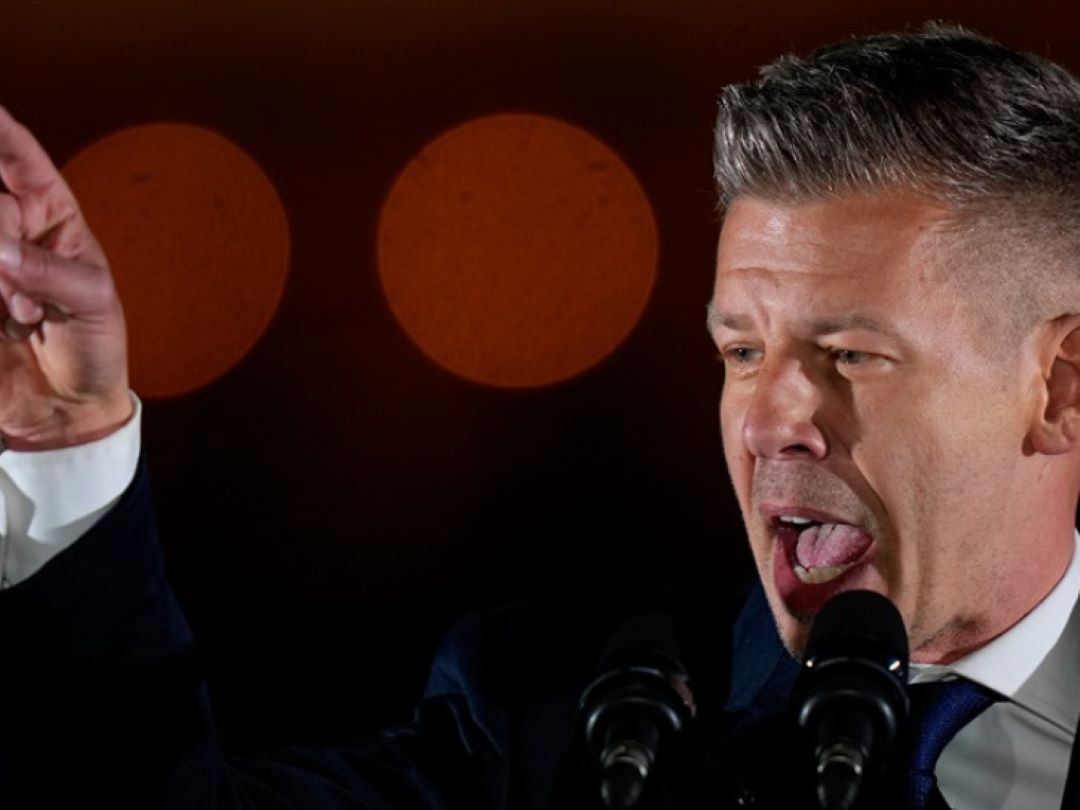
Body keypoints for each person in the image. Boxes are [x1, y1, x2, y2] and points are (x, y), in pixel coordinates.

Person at [0, 21, 1077, 809]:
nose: (767, 424)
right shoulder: (562, 722)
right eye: (743, 353)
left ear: (1060, 387)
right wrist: (63, 444)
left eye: (850, 356)